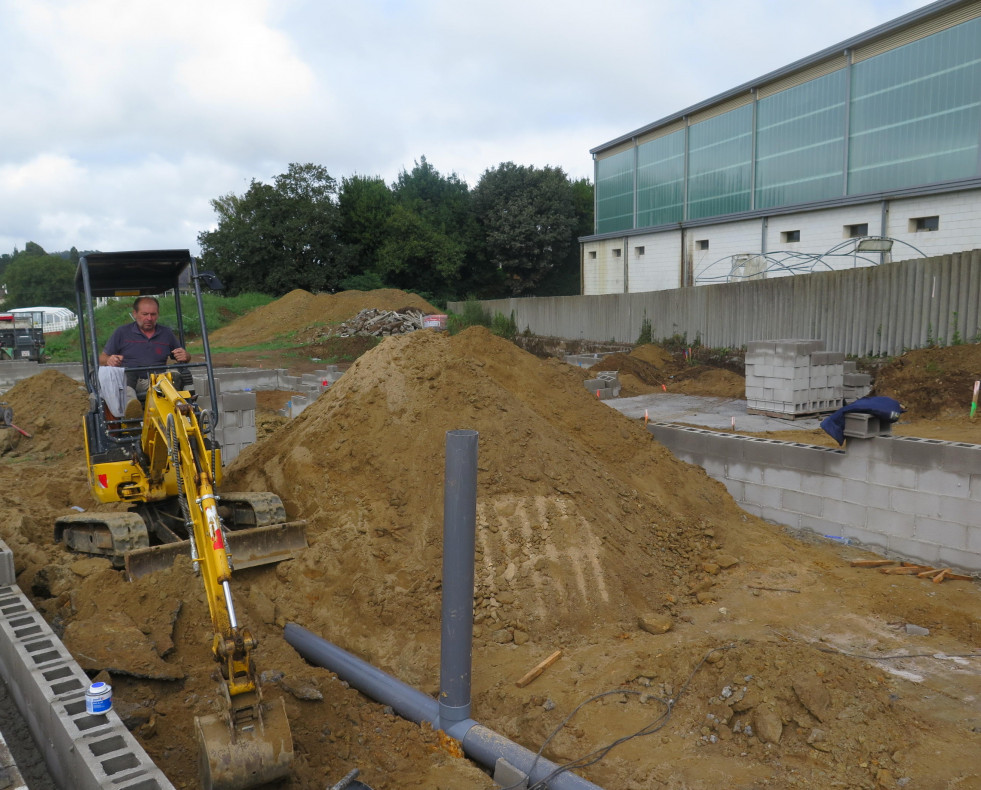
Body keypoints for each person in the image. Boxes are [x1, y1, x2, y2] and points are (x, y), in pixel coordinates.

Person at [99, 296, 190, 419]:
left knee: (176, 375)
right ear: (135, 314)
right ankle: (132, 412)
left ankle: (178, 410)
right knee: (125, 376)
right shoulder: (122, 332)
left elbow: (183, 356)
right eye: (145, 314)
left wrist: (185, 355)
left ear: (157, 314)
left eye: (153, 314)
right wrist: (109, 360)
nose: (149, 318)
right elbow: (102, 358)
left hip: (158, 381)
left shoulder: (166, 333)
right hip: (131, 380)